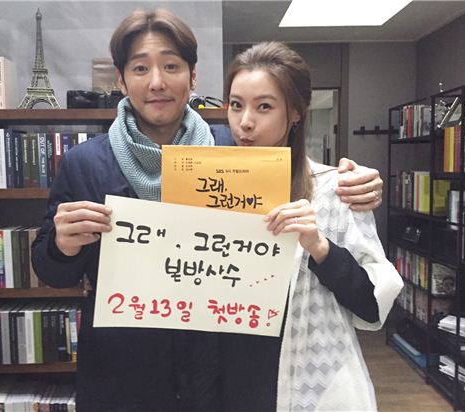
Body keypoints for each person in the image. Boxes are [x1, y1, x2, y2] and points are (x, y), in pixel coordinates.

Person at [31, 9, 386, 411]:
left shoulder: (237, 150)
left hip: (221, 368)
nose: (157, 82)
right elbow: (52, 272)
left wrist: (356, 183)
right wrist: (62, 245)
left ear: (193, 76)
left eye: (171, 66)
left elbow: (302, 175)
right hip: (125, 369)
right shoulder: (84, 163)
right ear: (122, 79)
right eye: (140, 68)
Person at [221, 41, 403, 411]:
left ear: (295, 113)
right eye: (236, 105)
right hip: (227, 380)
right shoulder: (209, 186)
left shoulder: (335, 191)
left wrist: (320, 247)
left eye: (264, 106)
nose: (245, 122)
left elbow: (372, 307)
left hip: (312, 383)